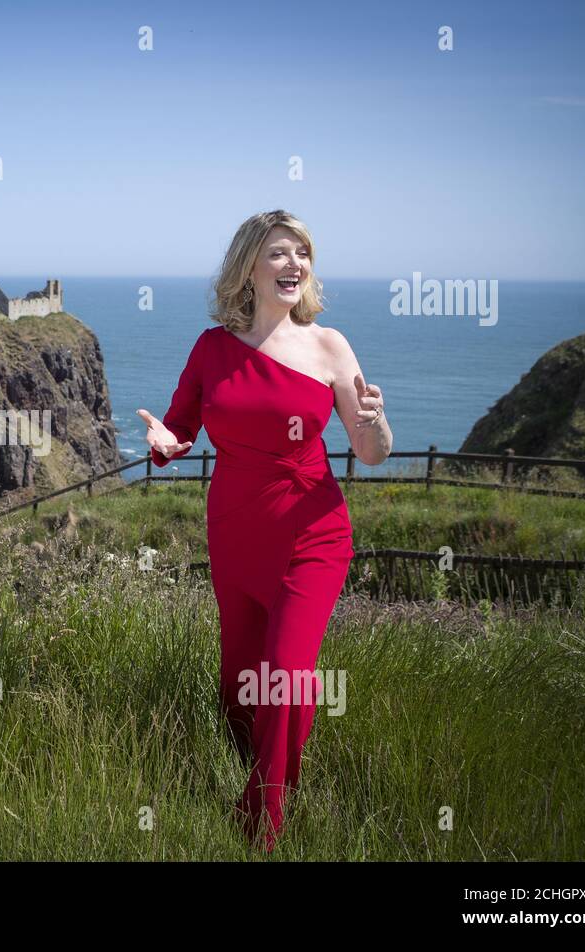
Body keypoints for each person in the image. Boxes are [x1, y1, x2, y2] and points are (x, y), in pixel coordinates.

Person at [137, 210, 392, 853]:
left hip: (313, 533)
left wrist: (376, 422)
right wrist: (165, 443)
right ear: (248, 266)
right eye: (279, 252)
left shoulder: (330, 346)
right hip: (233, 533)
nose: (294, 264)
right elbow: (179, 429)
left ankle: (260, 827)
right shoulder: (211, 348)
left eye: (301, 253)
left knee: (286, 674)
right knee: (241, 684)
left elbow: (371, 451)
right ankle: (272, 773)